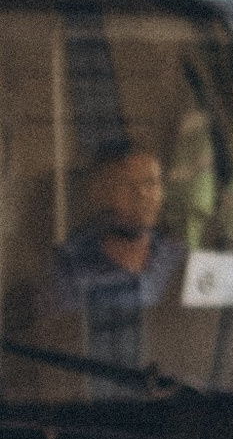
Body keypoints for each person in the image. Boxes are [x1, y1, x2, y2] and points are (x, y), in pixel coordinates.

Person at [44, 140, 184, 368]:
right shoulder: (69, 267)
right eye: (127, 185)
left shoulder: (177, 257)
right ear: (99, 194)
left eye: (151, 183)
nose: (143, 194)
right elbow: (61, 356)